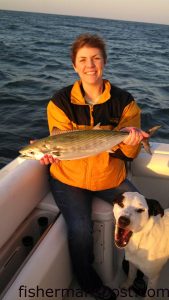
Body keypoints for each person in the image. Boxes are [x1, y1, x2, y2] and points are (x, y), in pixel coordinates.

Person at [40, 33, 149, 300]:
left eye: (96, 58)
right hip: (69, 180)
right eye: (83, 60)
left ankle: (134, 266)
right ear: (74, 65)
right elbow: (61, 144)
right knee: (80, 230)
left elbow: (128, 154)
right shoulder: (60, 102)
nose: (90, 65)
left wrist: (132, 141)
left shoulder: (125, 102)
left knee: (143, 211)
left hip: (109, 177)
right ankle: (88, 282)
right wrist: (49, 153)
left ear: (104, 62)